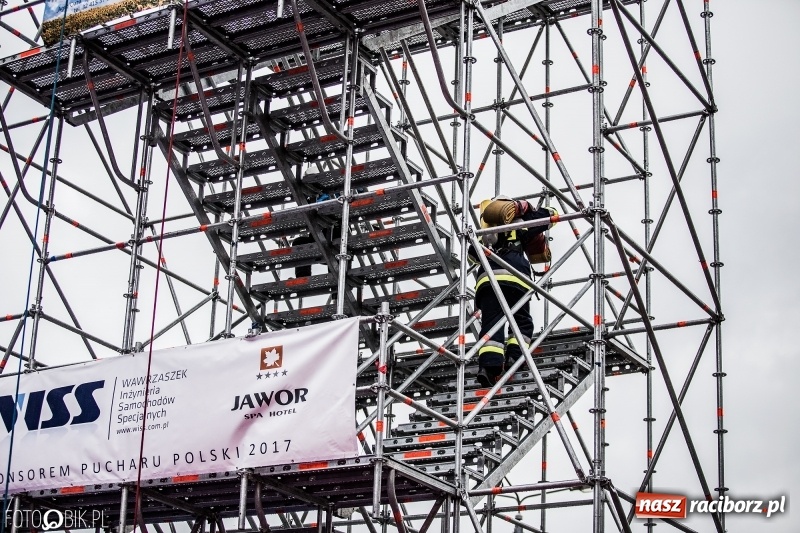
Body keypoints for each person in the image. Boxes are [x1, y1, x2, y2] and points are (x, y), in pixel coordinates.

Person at [471, 196, 557, 387]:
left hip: (488, 279)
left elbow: (472, 255)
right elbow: (552, 215)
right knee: (521, 322)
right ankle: (515, 359)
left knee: (491, 324)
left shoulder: (483, 232)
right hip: (515, 278)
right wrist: (526, 209)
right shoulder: (521, 224)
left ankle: (488, 368)